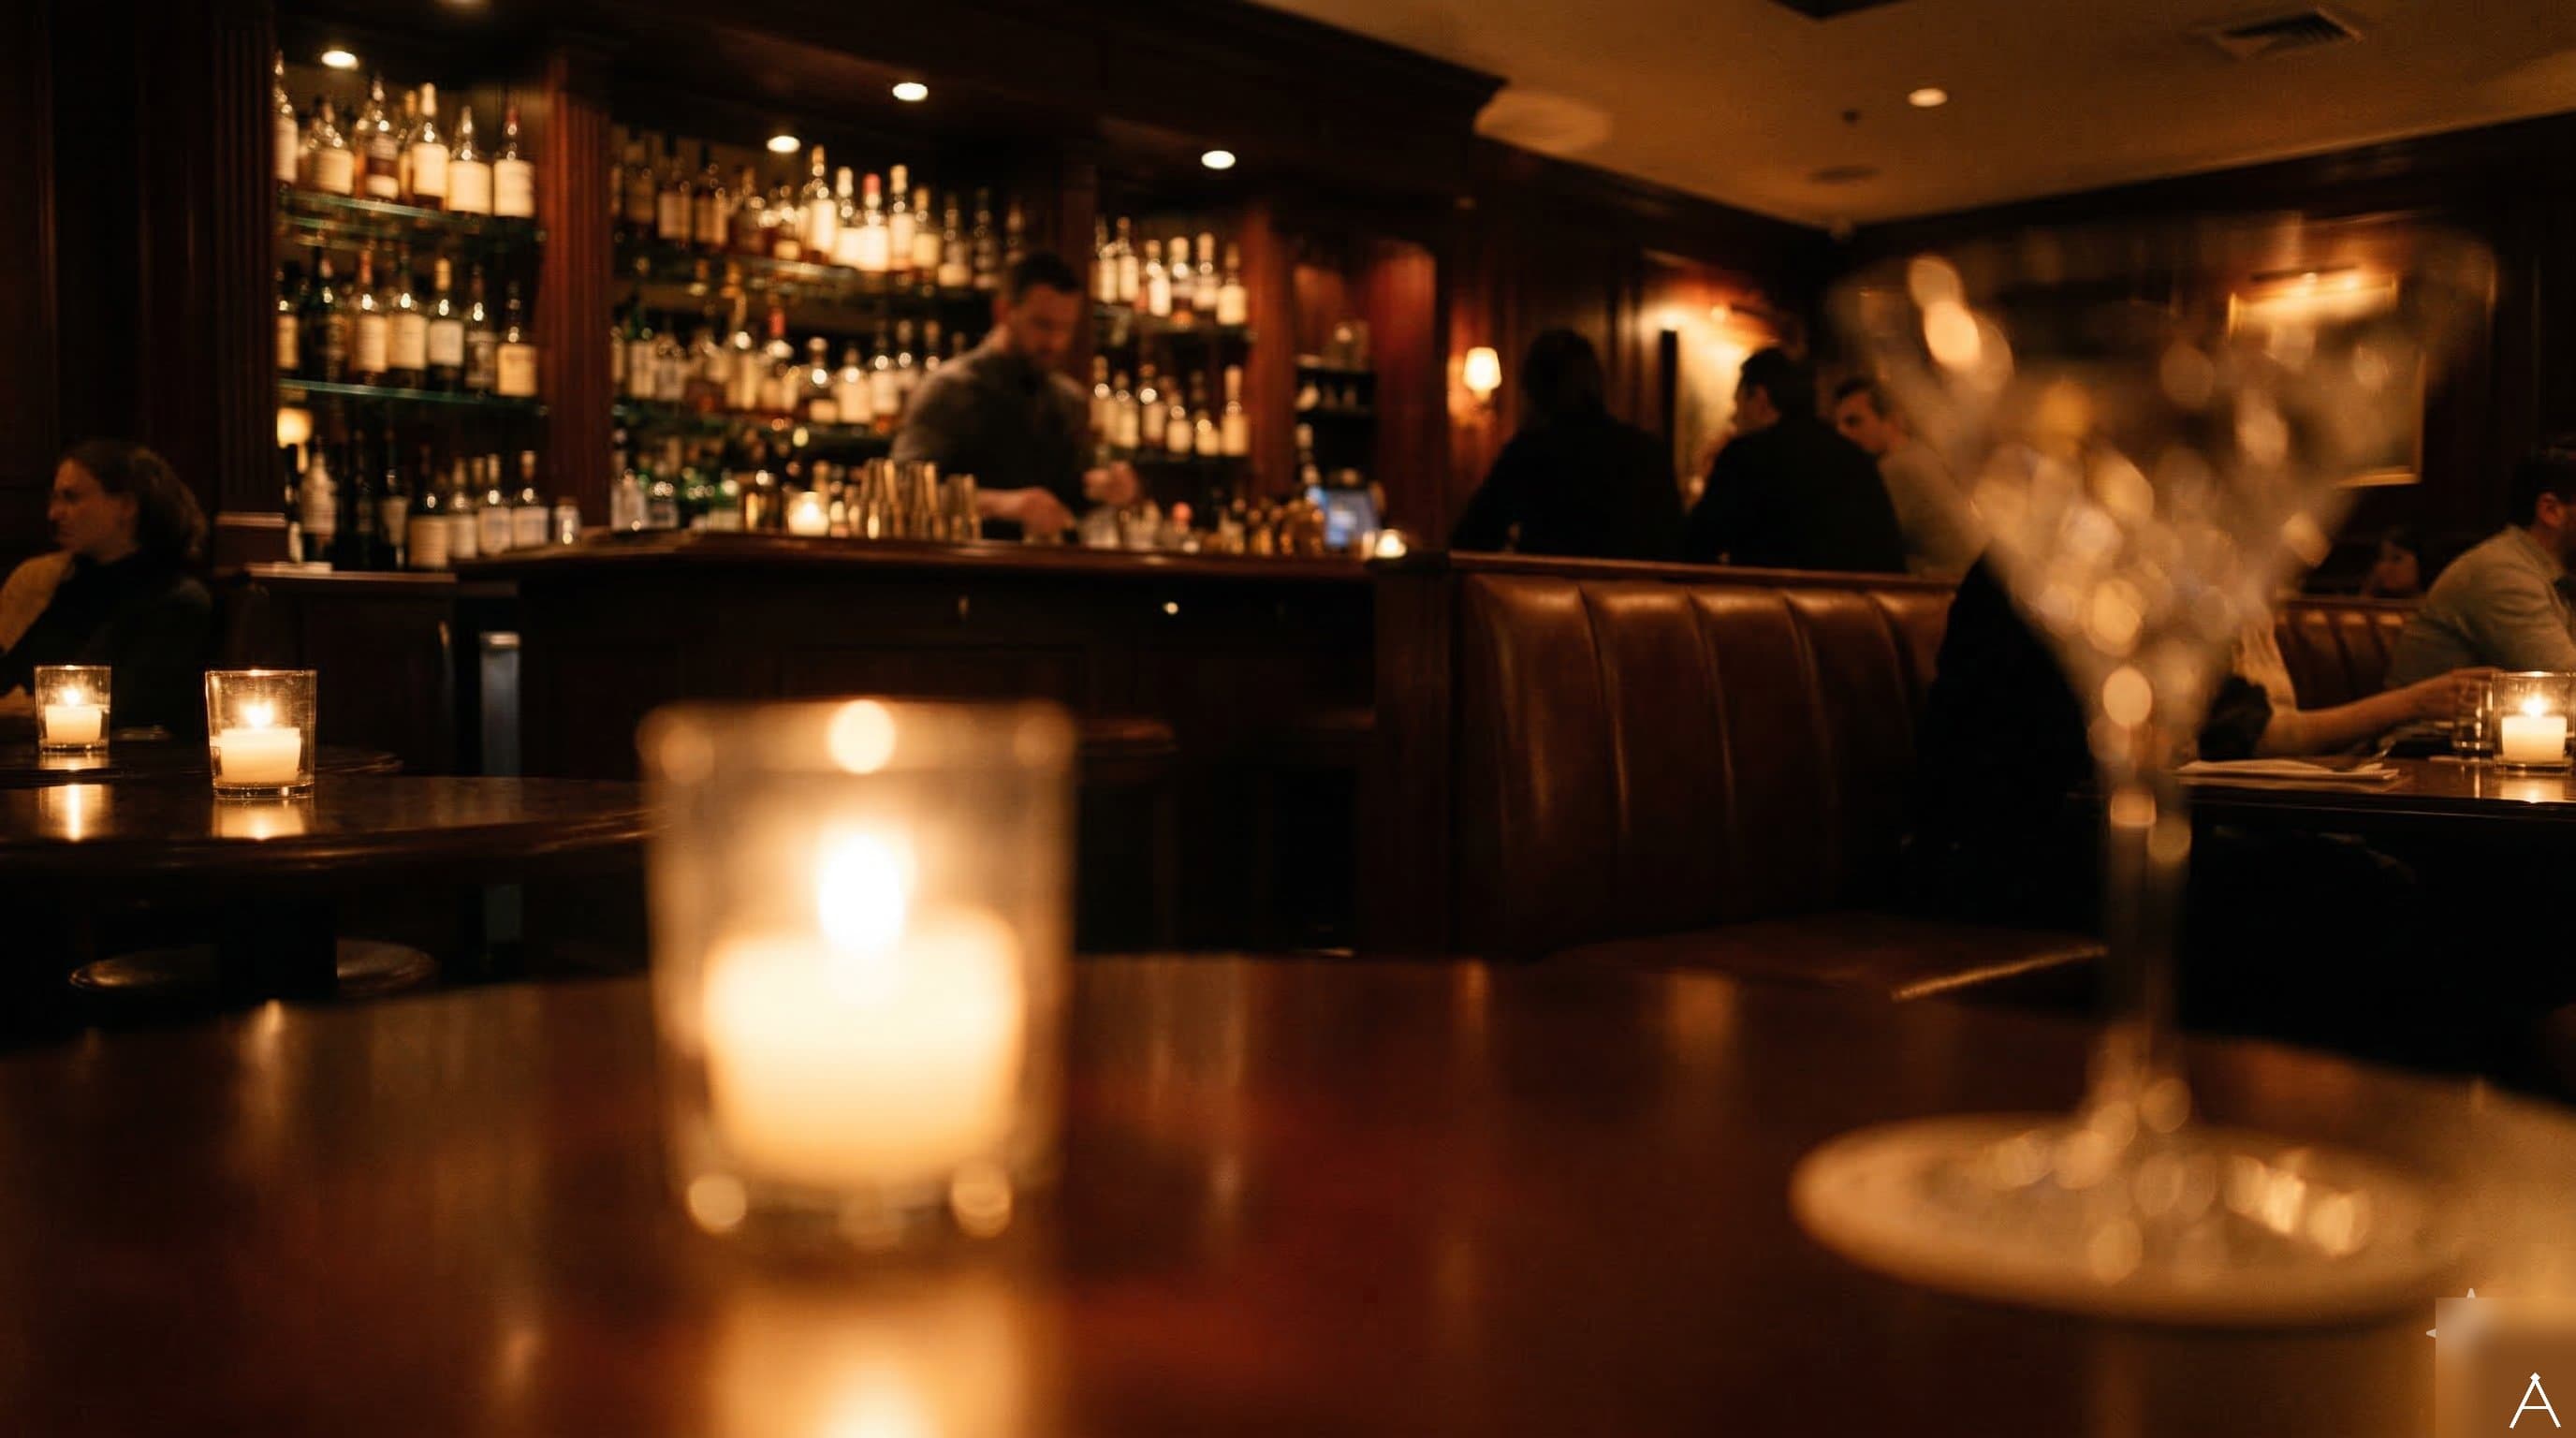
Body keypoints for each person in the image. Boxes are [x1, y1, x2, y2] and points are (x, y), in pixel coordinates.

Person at [892, 252, 1138, 538]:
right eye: (1043, 325)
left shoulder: (1068, 399)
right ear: (1003, 312)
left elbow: (1075, 496)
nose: (1055, 342)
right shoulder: (949, 389)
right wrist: (1004, 505)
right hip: (962, 571)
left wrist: (1109, 487)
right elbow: (903, 489)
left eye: (1066, 328)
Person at [0, 440, 213, 734]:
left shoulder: (175, 600)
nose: (54, 514)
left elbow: (126, 711)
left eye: (71, 498)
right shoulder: (70, 583)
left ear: (126, 506)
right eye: (54, 498)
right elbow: (11, 679)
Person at [1448, 330, 1683, 561]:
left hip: (1549, 594)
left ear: (1537, 392)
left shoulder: (1529, 455)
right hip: (1641, 594)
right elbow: (1678, 547)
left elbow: (1471, 539)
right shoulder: (1646, 451)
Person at [1682, 347, 1905, 572]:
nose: (1733, 417)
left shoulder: (1746, 456)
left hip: (1770, 604)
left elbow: (1693, 548)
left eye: (1737, 405)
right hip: (1867, 604)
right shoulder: (1856, 458)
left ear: (1760, 399)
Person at [2386, 447, 2576, 685]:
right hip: (2431, 722)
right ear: (2550, 511)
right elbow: (2566, 684)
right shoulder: (2503, 574)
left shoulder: (2554, 572)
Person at [1830, 376, 1980, 580]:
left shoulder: (1897, 468)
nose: (1842, 433)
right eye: (1838, 425)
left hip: (1945, 589)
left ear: (1892, 421)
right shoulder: (1920, 454)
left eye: (1853, 422)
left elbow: (1864, 543)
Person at [2359, 525, 2427, 599]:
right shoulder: (2377, 602)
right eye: (2382, 559)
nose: (2384, 567)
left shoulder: (2434, 606)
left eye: (2396, 558)